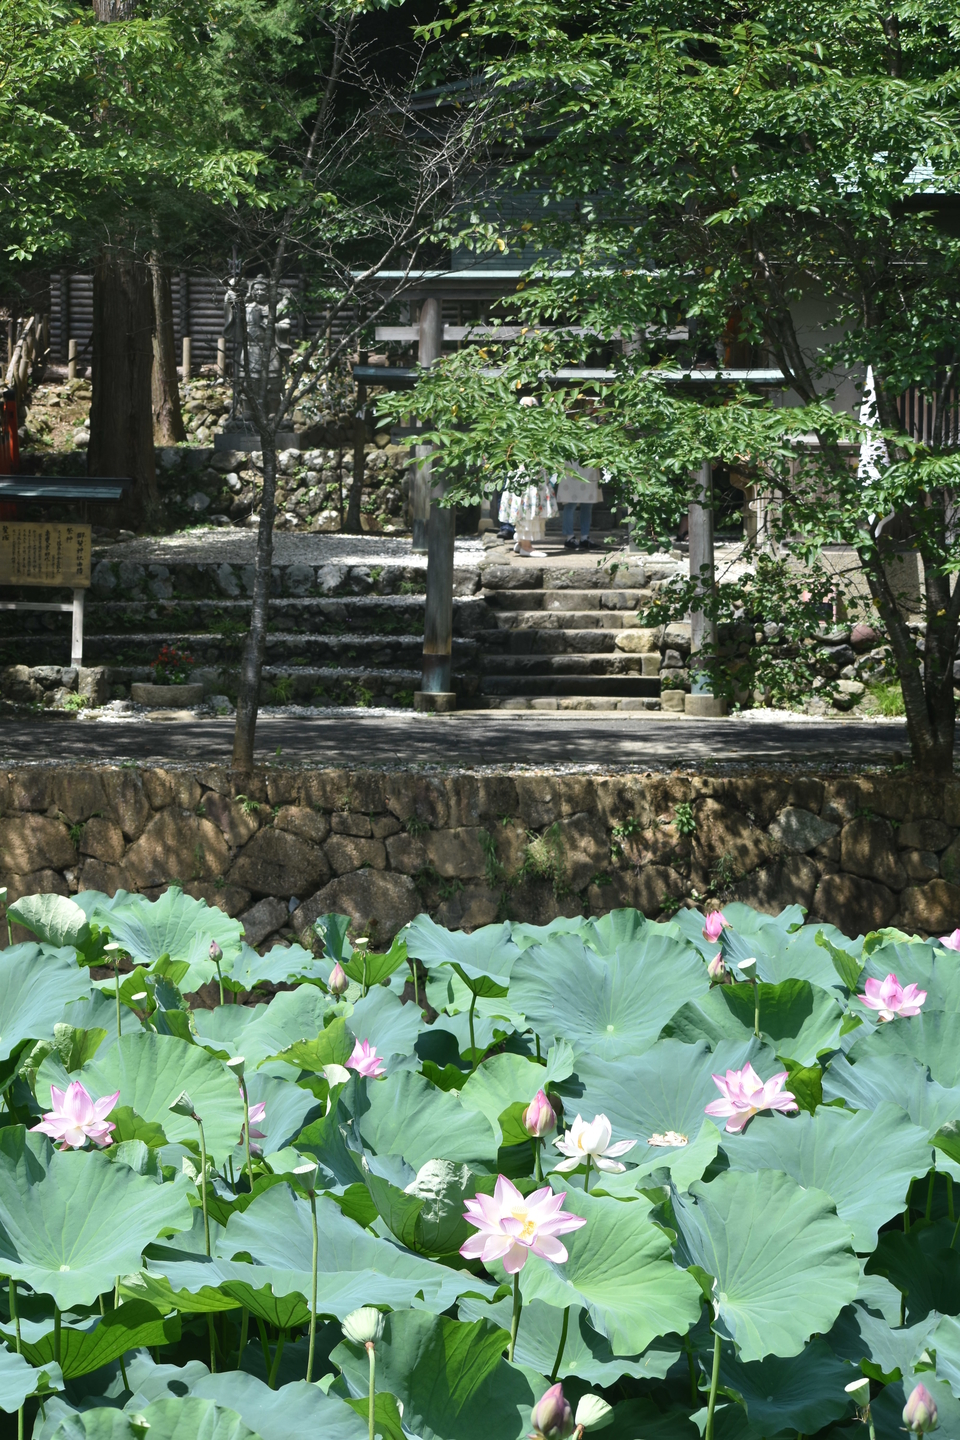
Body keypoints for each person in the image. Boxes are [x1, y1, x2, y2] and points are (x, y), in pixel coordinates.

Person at [498, 466, 558, 555]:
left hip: (529, 469)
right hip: (527, 470)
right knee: (527, 503)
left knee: (528, 502)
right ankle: (526, 547)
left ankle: (521, 542)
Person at [556, 462, 602, 549]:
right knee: (570, 503)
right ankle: (569, 537)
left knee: (588, 503)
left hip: (589, 464)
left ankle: (585, 537)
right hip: (572, 463)